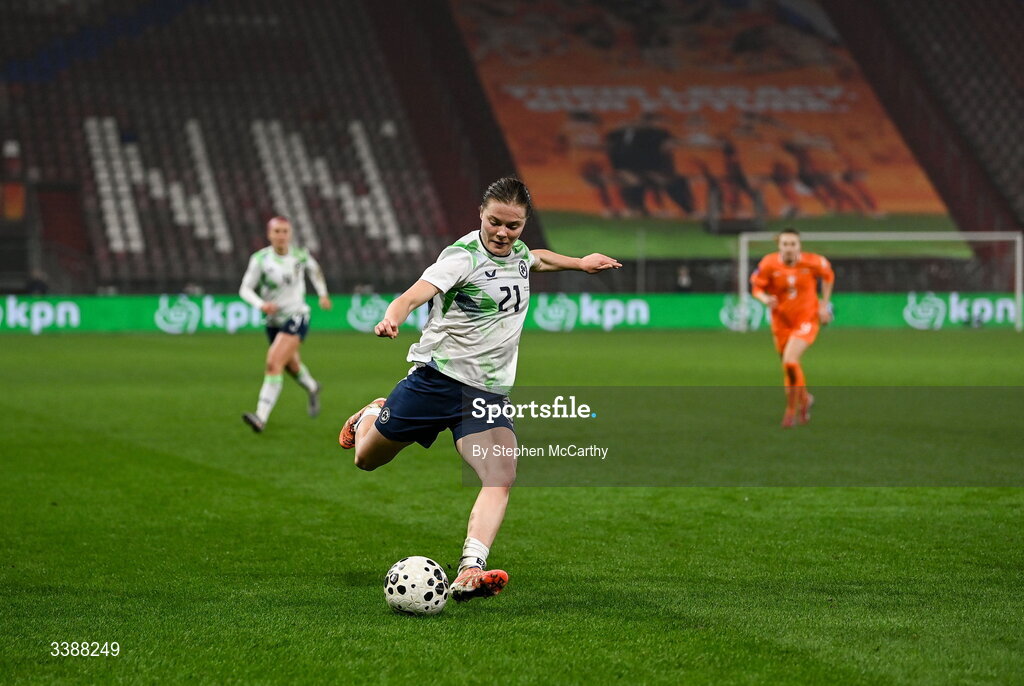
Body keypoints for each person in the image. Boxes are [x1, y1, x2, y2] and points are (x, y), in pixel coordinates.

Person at [338, 178, 621, 602]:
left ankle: (471, 567)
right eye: (495, 223)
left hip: (486, 394)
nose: (503, 234)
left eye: (514, 225)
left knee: (501, 473)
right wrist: (391, 317)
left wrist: (580, 263)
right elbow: (414, 294)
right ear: (481, 215)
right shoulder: (461, 258)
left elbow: (535, 259)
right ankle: (370, 416)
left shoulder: (519, 250)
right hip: (435, 382)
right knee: (366, 460)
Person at [239, 216, 332, 433]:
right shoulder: (260, 259)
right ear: (269, 234)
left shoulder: (300, 255)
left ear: (290, 234)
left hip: (296, 316)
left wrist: (323, 294)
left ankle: (260, 418)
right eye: (277, 231)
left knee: (273, 363)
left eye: (285, 231)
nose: (281, 236)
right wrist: (261, 305)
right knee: (291, 366)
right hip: (273, 321)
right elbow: (244, 289)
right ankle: (312, 387)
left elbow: (315, 271)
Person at [750, 229, 834, 428]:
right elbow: (756, 288)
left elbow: (829, 276)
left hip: (806, 319)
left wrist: (824, 306)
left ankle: (791, 412)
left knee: (790, 360)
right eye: (785, 244)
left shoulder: (814, 262)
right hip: (781, 322)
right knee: (790, 367)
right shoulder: (768, 264)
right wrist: (764, 298)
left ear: (799, 246)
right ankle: (804, 400)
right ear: (779, 246)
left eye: (793, 244)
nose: (789, 248)